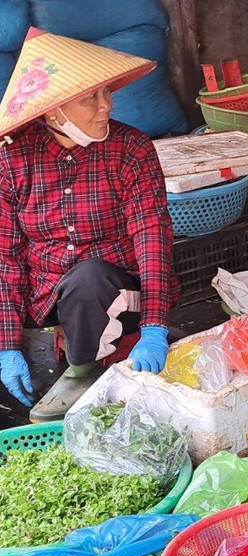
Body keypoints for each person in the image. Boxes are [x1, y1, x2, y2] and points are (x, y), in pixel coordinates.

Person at [0, 28, 177, 420]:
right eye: (89, 97)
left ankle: (81, 370)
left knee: (89, 277)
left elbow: (152, 236)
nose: (106, 106)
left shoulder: (131, 149)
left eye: (107, 92)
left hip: (119, 289)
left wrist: (154, 327)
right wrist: (7, 346)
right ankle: (70, 337)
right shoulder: (11, 161)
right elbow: (6, 259)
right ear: (53, 111)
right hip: (47, 293)